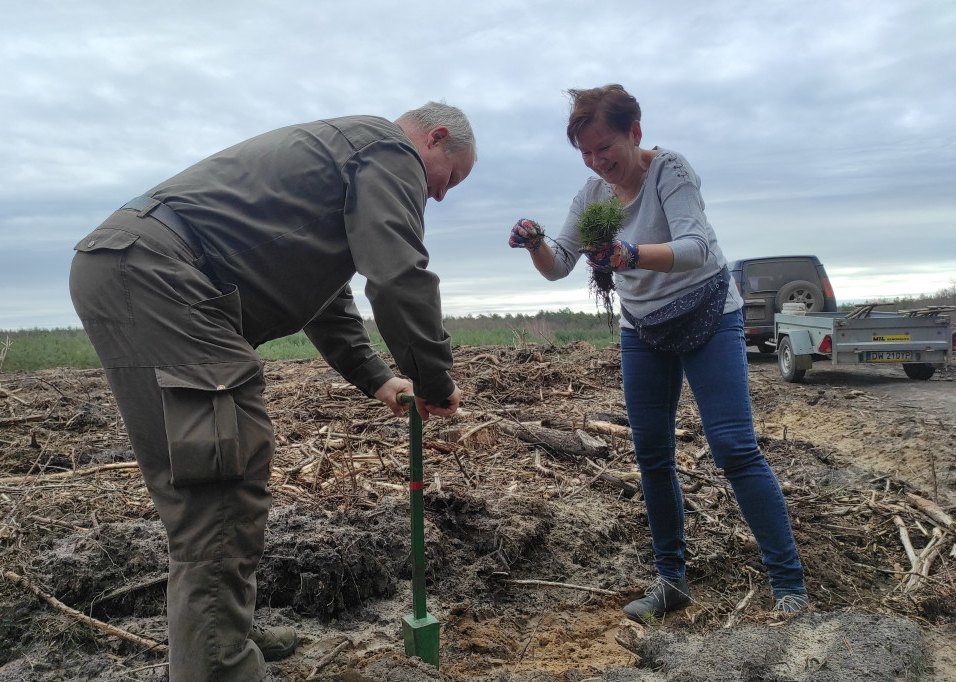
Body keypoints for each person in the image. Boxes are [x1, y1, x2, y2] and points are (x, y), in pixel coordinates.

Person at [69, 102, 474, 681]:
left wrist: (381, 379)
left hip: (132, 267)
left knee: (210, 476)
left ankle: (223, 632)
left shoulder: (344, 160)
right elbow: (397, 276)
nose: (439, 195)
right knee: (218, 485)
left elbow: (325, 298)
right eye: (450, 178)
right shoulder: (390, 152)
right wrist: (437, 381)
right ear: (434, 138)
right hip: (160, 274)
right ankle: (221, 665)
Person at [509, 84, 807, 623]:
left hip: (708, 315)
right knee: (651, 454)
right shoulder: (592, 195)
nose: (599, 163)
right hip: (642, 328)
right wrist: (535, 243)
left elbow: (695, 248)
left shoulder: (671, 171)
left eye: (607, 149)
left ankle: (789, 587)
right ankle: (671, 581)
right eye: (587, 153)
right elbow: (559, 265)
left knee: (734, 448)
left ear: (635, 132)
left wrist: (628, 252)